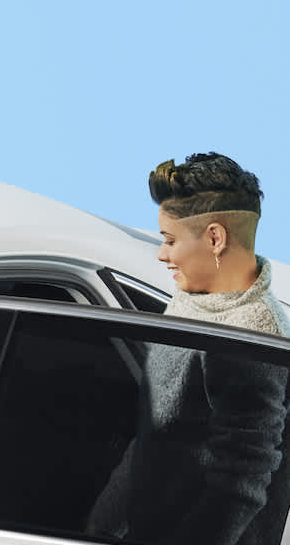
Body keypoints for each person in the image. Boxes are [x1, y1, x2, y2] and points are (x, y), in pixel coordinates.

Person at [92, 152, 290, 545]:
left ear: (215, 238)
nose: (162, 254)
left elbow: (241, 482)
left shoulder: (250, 335)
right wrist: (101, 527)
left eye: (170, 240)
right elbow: (156, 434)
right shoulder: (195, 297)